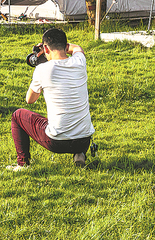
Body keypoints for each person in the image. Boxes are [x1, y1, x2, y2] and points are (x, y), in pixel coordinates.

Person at [7, 27, 94, 171]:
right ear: (65, 46)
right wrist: (56, 46)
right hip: (84, 139)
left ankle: (22, 164)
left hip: (57, 142)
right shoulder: (80, 61)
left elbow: (30, 100)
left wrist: (41, 61)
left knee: (17, 115)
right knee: (75, 119)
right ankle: (79, 153)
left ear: (46, 49)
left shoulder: (42, 69)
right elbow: (77, 48)